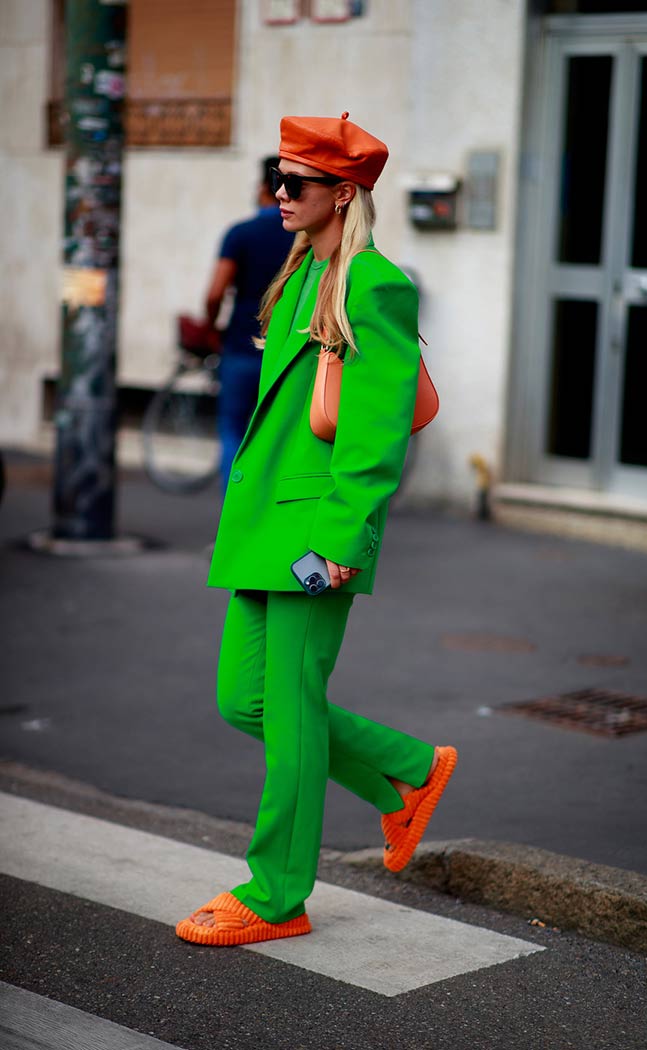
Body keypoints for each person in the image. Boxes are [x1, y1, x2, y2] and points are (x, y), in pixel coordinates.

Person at [176, 113, 457, 948]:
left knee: (290, 713)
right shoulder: (302, 275)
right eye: (277, 176)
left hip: (312, 535)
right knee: (245, 701)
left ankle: (277, 893)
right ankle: (408, 772)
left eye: (295, 182)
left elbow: (371, 440)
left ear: (344, 193)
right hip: (264, 524)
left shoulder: (372, 284)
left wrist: (339, 542)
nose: (279, 193)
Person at [205, 156, 295, 493]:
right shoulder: (304, 237)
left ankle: (234, 517)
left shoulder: (240, 234)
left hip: (241, 345)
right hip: (288, 351)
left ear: (262, 189)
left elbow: (215, 293)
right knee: (281, 437)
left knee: (233, 429)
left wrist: (212, 327)